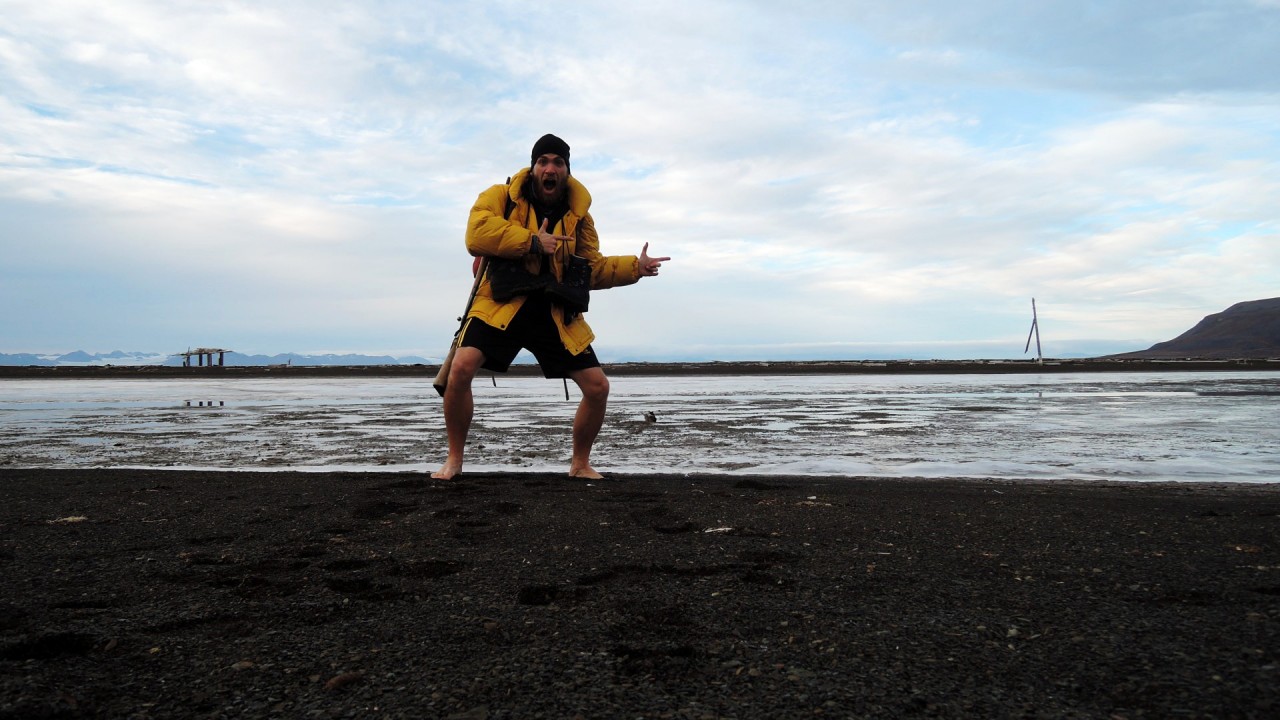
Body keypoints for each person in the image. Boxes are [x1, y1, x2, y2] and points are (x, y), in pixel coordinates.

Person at [433, 134, 670, 480]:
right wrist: (531, 241)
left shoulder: (579, 217)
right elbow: (475, 234)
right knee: (461, 368)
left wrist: (636, 267)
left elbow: (590, 269)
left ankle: (579, 464)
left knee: (598, 387)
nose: (550, 168)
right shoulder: (502, 196)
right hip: (501, 301)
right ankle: (454, 460)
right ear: (533, 168)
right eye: (543, 161)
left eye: (558, 162)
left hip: (554, 309)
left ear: (566, 171)